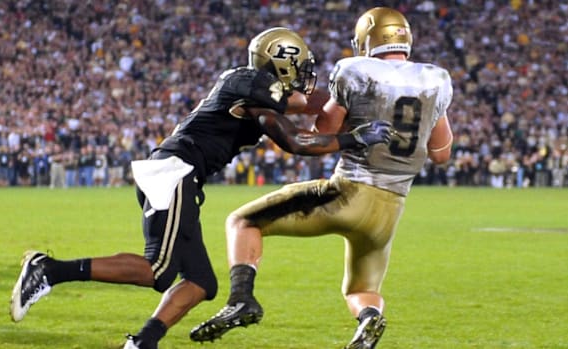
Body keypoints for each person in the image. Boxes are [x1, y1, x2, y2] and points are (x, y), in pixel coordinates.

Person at [9, 27, 393, 349]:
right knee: (157, 269)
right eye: (300, 67)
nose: (305, 76)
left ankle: (142, 342)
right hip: (176, 169)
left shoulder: (258, 95)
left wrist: (360, 100)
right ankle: (49, 269)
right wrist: (354, 135)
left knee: (200, 283)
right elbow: (298, 138)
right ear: (282, 62)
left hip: (180, 174)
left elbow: (304, 114)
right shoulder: (252, 82)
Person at [190, 7, 454, 349]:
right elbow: (441, 153)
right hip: (391, 209)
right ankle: (369, 320)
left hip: (348, 192)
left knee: (243, 221)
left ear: (366, 38)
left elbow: (322, 131)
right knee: (362, 290)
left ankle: (241, 299)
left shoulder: (354, 69)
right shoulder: (436, 79)